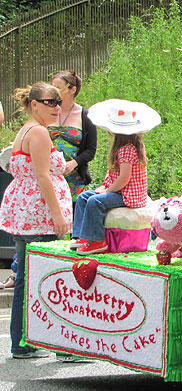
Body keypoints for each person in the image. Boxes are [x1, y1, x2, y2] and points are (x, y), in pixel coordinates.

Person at [0, 82, 72, 359]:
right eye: (49, 102)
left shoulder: (27, 130)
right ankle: (61, 347)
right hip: (39, 217)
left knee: (26, 279)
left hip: (24, 215)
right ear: (34, 104)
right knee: (50, 280)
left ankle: (22, 343)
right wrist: (57, 214)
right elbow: (43, 176)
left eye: (58, 102)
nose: (56, 107)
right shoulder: (39, 132)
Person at [70, 99, 160, 255]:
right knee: (83, 197)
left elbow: (124, 178)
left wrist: (108, 191)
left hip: (128, 195)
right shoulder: (129, 148)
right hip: (121, 191)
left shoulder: (126, 150)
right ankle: (80, 236)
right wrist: (107, 187)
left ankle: (97, 240)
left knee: (95, 201)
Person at [50, 70, 97, 203]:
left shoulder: (85, 116)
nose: (54, 92)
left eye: (58, 88)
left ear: (72, 89)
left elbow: (91, 150)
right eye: (52, 88)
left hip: (74, 178)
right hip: (49, 177)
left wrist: (73, 163)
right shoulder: (47, 112)